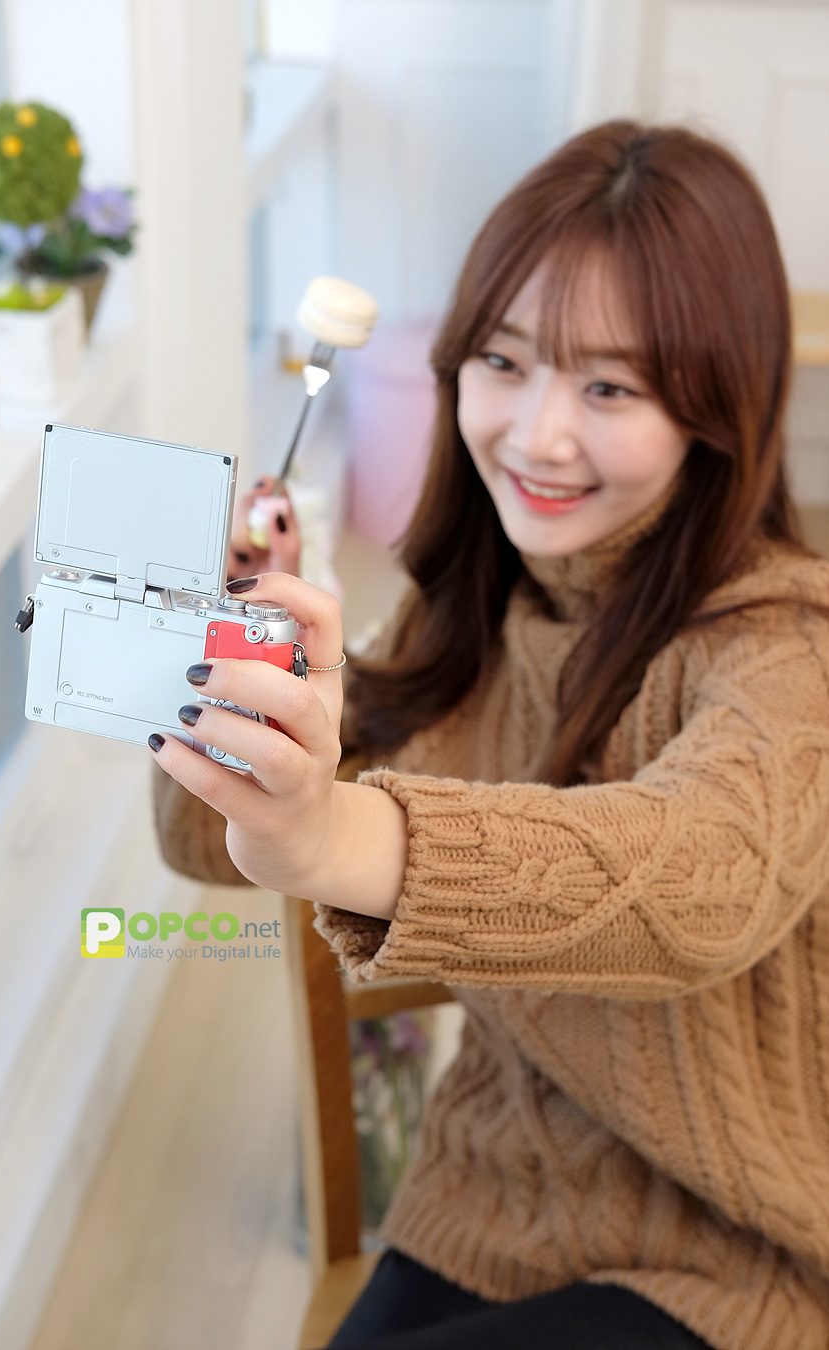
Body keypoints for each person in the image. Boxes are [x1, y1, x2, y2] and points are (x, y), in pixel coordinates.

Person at [149, 121, 829, 1349]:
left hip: (740, 1260)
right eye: (504, 362)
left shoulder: (789, 650)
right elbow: (207, 846)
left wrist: (337, 834)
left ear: (719, 405)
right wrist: (235, 664)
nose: (538, 433)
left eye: (610, 386)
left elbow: (700, 879)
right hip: (489, 1193)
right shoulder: (467, 614)